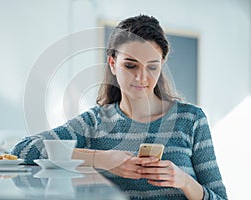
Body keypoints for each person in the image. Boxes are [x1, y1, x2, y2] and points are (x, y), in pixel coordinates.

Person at [12, 14, 227, 200]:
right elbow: (22, 150)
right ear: (113, 64)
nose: (141, 77)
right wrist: (101, 158)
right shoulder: (94, 123)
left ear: (162, 65)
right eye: (130, 65)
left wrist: (184, 181)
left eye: (152, 67)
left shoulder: (192, 119)